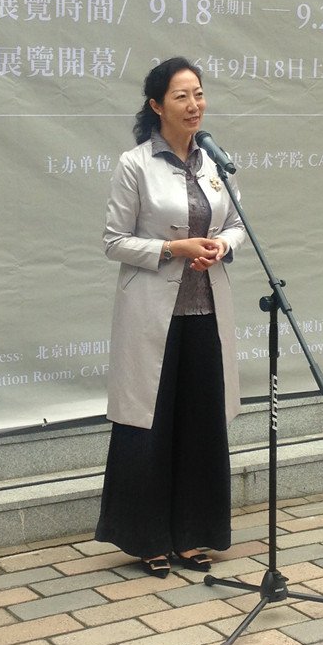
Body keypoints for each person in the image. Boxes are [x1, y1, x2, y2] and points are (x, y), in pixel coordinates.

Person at [95, 56, 245, 578]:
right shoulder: (134, 164)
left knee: (200, 424)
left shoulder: (213, 161)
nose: (194, 104)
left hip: (206, 311)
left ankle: (192, 535)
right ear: (157, 105)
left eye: (199, 94)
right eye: (182, 96)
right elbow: (113, 241)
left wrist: (222, 246)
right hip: (151, 316)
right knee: (149, 426)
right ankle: (148, 540)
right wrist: (171, 248)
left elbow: (237, 223)